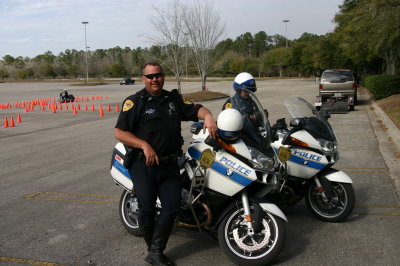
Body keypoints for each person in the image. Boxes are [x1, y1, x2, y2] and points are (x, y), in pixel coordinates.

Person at [114, 62, 217, 266]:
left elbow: (197, 109)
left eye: (158, 75)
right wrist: (144, 144)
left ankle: (155, 251)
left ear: (163, 76)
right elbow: (120, 132)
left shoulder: (173, 100)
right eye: (150, 76)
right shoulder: (135, 102)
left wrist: (209, 117)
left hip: (170, 164)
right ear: (143, 78)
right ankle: (154, 250)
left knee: (171, 207)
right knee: (147, 209)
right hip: (143, 165)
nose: (155, 79)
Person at [222, 72, 268, 149]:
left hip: (253, 135)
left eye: (251, 91)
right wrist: (252, 117)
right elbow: (229, 125)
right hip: (239, 140)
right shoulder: (231, 103)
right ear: (238, 89)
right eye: (246, 91)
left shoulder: (251, 101)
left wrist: (262, 117)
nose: (249, 93)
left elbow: (257, 120)